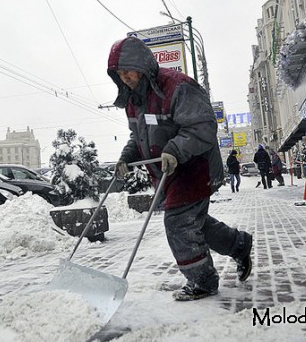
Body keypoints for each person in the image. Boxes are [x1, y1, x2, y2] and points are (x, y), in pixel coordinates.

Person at [108, 36, 253, 302]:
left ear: (141, 64)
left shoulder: (177, 87)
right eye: (119, 74)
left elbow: (203, 127)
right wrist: (126, 158)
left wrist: (174, 149)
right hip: (169, 173)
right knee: (194, 224)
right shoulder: (133, 100)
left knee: (178, 223)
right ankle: (239, 244)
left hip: (195, 167)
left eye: (128, 70)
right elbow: (137, 137)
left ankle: (203, 280)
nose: (125, 77)